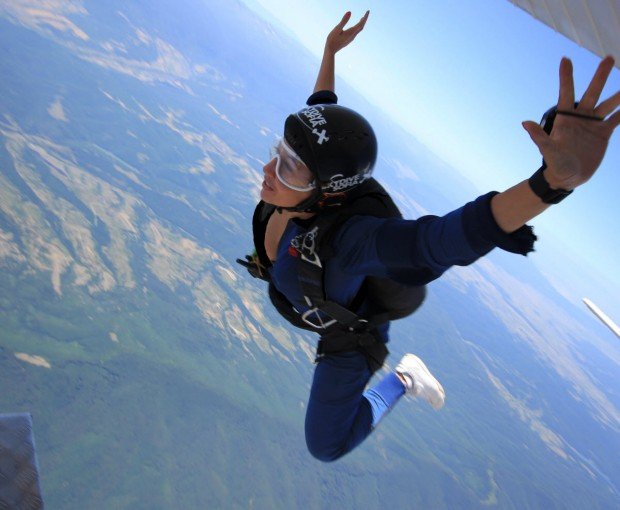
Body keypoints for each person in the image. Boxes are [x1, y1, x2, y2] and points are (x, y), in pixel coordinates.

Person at [238, 11, 620, 462]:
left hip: (349, 334)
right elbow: (322, 114)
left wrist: (551, 184)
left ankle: (404, 380)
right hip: (315, 288)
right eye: (277, 153)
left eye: (286, 165)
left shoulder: (349, 240)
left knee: (325, 445)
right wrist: (329, 52)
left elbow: (436, 241)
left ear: (326, 189)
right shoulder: (312, 189)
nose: (268, 170)